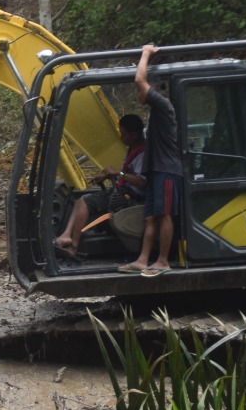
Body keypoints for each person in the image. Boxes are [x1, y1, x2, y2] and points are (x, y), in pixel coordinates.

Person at [121, 44, 185, 276]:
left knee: (165, 214)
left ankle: (163, 261)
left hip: (166, 170)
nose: (138, 95)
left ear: (153, 88)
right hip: (155, 172)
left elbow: (140, 79)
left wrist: (146, 53)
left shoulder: (164, 106)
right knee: (150, 217)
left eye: (143, 91)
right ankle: (143, 259)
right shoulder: (156, 112)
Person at [53, 113, 146, 258]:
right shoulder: (133, 149)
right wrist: (107, 175)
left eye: (123, 134)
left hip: (132, 196)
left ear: (134, 135)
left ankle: (74, 247)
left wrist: (118, 174)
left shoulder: (143, 153)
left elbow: (141, 181)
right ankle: (66, 235)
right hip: (124, 190)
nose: (121, 138)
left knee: (85, 202)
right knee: (79, 200)